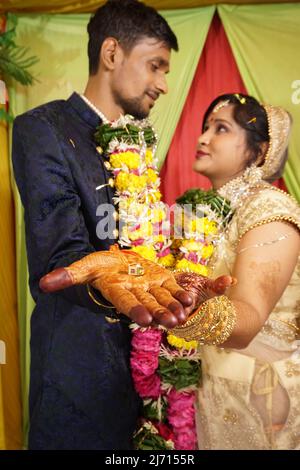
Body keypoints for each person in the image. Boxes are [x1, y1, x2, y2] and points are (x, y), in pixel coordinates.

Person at [12, 0, 194, 450]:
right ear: (111, 54)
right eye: (155, 66)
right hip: (78, 381)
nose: (163, 84)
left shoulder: (137, 146)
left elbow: (142, 250)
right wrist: (111, 271)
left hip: (137, 380)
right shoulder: (43, 128)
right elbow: (61, 253)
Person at [170, 93, 300, 449]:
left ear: (257, 153)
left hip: (262, 395)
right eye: (206, 127)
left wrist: (165, 308)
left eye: (221, 128)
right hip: (213, 387)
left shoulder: (268, 206)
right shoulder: (206, 211)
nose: (202, 138)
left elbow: (247, 322)